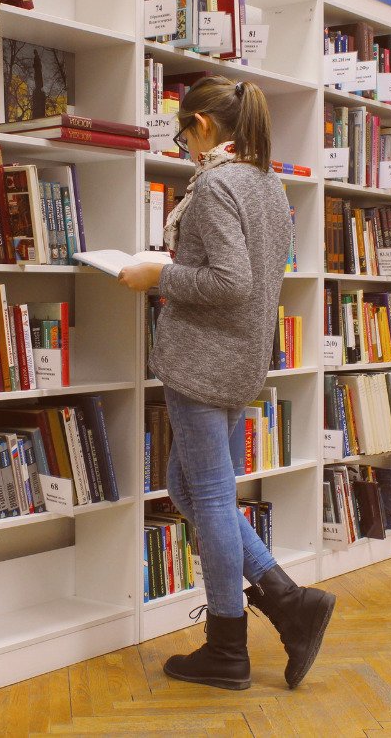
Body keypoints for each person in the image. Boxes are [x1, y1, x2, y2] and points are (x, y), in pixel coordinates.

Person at [119, 76, 335, 691]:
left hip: (202, 361)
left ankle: (227, 645)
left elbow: (230, 283)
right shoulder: (268, 184)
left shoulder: (215, 186)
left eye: (183, 132)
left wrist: (158, 275)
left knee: (209, 497)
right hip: (240, 360)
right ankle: (287, 599)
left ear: (205, 127)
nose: (183, 145)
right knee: (185, 486)